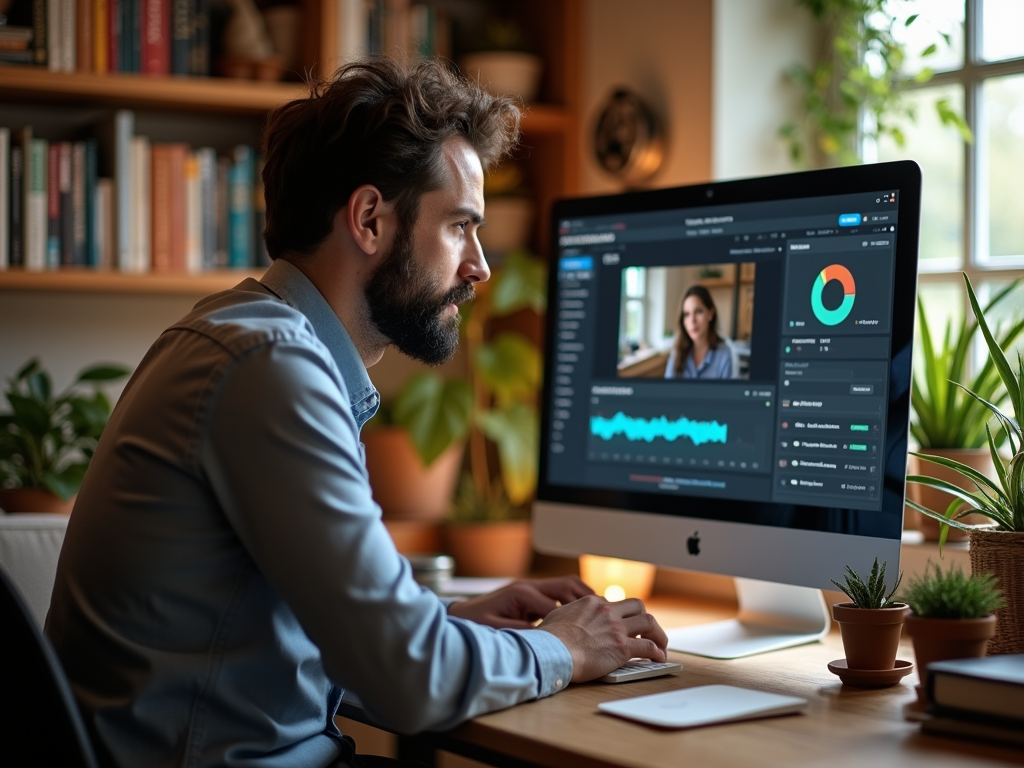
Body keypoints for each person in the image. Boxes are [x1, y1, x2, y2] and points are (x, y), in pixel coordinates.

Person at [45, 58, 668, 768]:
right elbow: (409, 681)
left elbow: (315, 627)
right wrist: (564, 646)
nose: (481, 267)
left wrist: (448, 623)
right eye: (461, 227)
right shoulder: (270, 366)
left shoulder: (241, 335)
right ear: (370, 219)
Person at [664, 285, 733, 379]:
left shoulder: (724, 355)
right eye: (687, 314)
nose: (692, 320)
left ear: (711, 313)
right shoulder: (677, 352)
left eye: (698, 311)